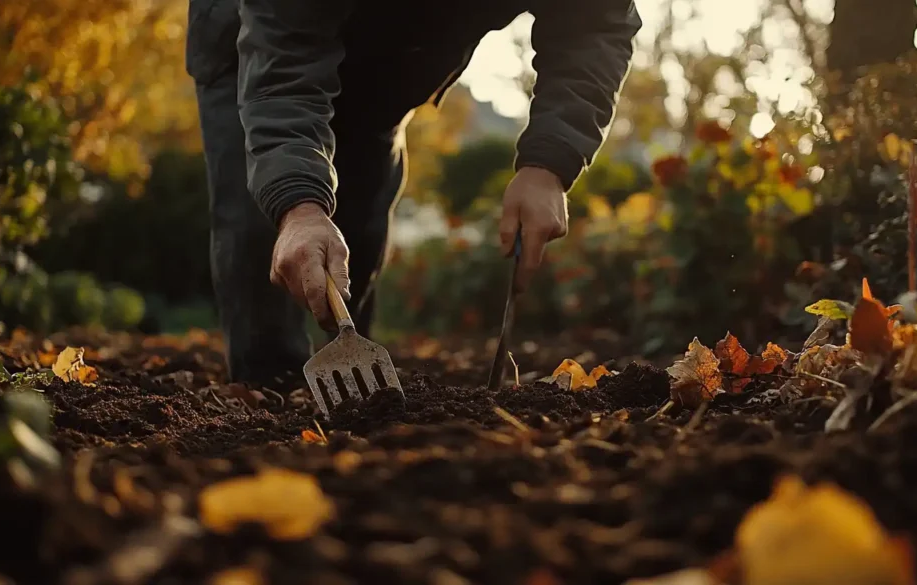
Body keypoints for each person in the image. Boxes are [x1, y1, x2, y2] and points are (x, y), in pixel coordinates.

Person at [186, 0, 642, 386]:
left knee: (354, 245)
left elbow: (594, 26)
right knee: (261, 233)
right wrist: (297, 205)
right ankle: (267, 394)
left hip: (392, 74)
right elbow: (281, 65)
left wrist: (549, 165)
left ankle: (349, 388)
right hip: (255, 56)